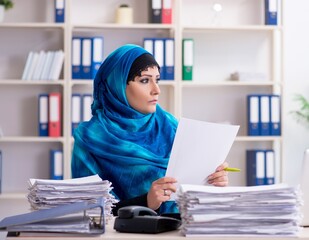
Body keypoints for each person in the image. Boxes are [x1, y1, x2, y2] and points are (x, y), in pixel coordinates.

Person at [71, 44, 229, 215]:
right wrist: (146, 202)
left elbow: (189, 190)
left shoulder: (170, 125)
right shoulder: (90, 138)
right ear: (116, 84)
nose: (156, 90)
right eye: (145, 80)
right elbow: (88, 209)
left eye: (157, 79)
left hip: (182, 229)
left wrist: (212, 182)